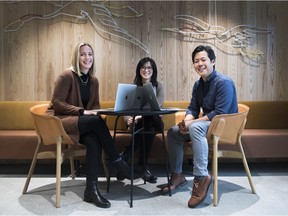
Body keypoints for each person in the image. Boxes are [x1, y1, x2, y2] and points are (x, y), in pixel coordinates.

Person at [47, 42, 131, 209]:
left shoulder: (93, 81)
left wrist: (96, 112)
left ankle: (90, 190)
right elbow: (56, 103)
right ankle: (116, 160)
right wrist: (82, 111)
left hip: (81, 123)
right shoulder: (66, 76)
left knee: (94, 140)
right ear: (77, 57)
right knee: (95, 121)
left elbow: (95, 106)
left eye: (90, 54)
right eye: (83, 54)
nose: (87, 58)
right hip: (62, 122)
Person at [161, 45, 238, 208]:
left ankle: (201, 176)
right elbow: (193, 108)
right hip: (207, 125)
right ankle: (178, 174)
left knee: (195, 128)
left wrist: (192, 123)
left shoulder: (224, 82)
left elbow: (219, 112)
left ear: (213, 61)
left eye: (203, 60)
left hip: (224, 125)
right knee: (174, 132)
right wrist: (186, 120)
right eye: (196, 61)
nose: (200, 64)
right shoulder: (198, 85)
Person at [120, 57, 165, 183]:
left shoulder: (159, 86)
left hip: (156, 122)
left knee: (149, 119)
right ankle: (143, 168)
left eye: (149, 67)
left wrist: (139, 116)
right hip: (140, 124)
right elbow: (125, 108)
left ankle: (126, 156)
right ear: (139, 70)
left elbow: (157, 106)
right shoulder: (132, 87)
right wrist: (129, 119)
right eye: (143, 67)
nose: (146, 70)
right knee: (147, 130)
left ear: (153, 70)